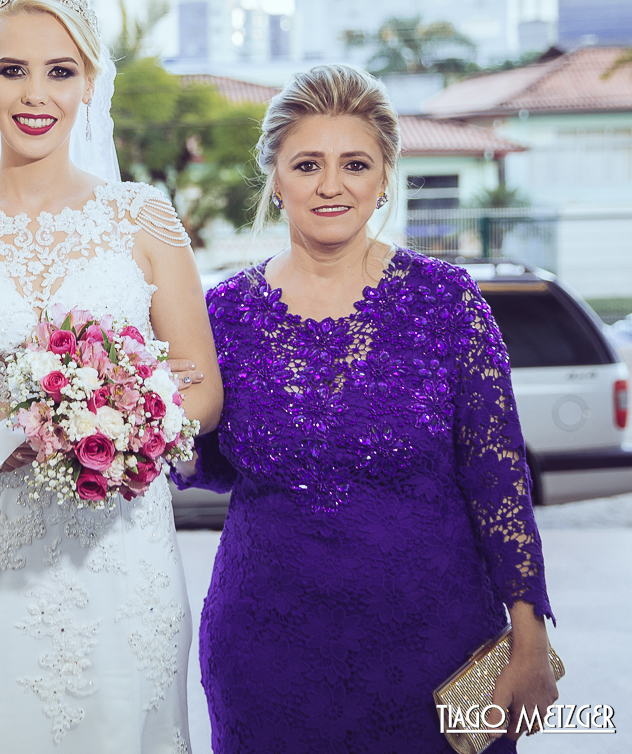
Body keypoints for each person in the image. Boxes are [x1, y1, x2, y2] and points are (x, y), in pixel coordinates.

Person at [0, 0, 223, 752]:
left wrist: (126, 421)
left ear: (91, 82)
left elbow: (202, 394)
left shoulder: (145, 218)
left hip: (120, 557)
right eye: (14, 70)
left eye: (60, 71)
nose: (37, 94)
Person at [179, 64, 558, 753]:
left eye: (354, 163)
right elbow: (201, 462)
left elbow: (498, 478)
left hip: (438, 648)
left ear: (384, 176)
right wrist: (126, 412)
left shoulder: (447, 301)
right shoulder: (223, 315)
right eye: (307, 164)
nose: (331, 185)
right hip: (265, 654)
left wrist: (527, 632)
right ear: (275, 177)